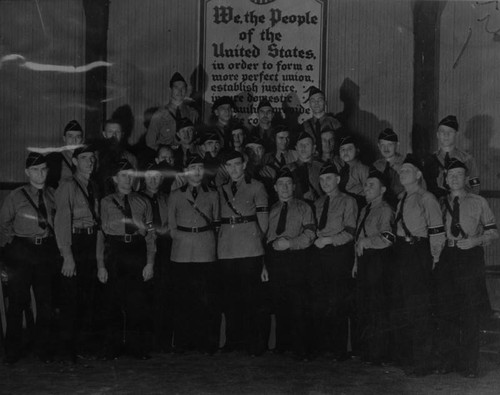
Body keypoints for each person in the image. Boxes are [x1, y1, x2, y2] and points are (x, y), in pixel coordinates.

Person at [434, 159, 498, 378]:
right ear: (445, 177)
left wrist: (476, 240)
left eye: (458, 174)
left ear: (466, 177)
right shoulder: (440, 202)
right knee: (446, 309)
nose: (454, 178)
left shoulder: (478, 201)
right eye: (450, 175)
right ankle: (448, 360)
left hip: (470, 255)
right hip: (447, 256)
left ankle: (469, 364)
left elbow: (493, 232)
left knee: (470, 311)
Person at [0, 152, 59, 364]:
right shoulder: (15, 196)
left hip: (45, 252)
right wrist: (11, 249)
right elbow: (3, 225)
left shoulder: (54, 194)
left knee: (45, 302)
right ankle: (12, 352)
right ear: (27, 172)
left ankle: (43, 350)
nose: (40, 173)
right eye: (35, 170)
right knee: (17, 302)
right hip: (21, 250)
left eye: (44, 169)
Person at [392, 154, 445, 377]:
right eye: (400, 170)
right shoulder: (402, 197)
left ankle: (424, 361)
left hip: (419, 254)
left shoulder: (427, 198)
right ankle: (410, 357)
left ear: (418, 174)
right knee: (405, 307)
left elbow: (437, 232)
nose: (402, 173)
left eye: (407, 170)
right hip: (403, 253)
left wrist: (433, 260)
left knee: (420, 309)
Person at [97, 159, 155, 360]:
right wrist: (100, 265)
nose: (128, 179)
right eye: (123, 175)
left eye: (131, 175)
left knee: (136, 302)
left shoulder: (143, 202)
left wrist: (150, 262)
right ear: (115, 178)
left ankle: (136, 347)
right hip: (115, 251)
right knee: (112, 302)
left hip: (136, 251)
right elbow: (101, 236)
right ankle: (110, 347)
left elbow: (150, 235)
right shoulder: (105, 202)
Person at [167, 155, 220, 354]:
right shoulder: (175, 194)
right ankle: (183, 343)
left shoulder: (213, 194)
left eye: (200, 167)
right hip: (181, 252)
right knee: (183, 299)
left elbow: (216, 222)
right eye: (192, 167)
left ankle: (206, 343)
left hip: (205, 250)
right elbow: (172, 226)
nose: (197, 171)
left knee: (206, 299)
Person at [218, 150, 269, 355]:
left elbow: (264, 224)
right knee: (231, 299)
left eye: (237, 164)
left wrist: (260, 248)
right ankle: (233, 342)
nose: (233, 169)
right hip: (227, 249)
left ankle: (254, 343)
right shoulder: (220, 189)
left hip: (250, 248)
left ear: (244, 164)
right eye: (229, 165)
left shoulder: (257, 187)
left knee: (252, 298)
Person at [54, 145, 100, 362]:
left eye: (92, 158)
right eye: (84, 158)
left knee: (88, 297)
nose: (89, 162)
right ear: (74, 161)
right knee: (71, 299)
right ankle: (66, 350)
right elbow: (62, 222)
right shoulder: (68, 186)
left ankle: (83, 346)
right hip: (75, 243)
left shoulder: (93, 185)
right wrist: (67, 256)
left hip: (91, 242)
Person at [265, 168, 316, 361]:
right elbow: (266, 236)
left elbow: (310, 235)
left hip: (296, 260)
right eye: (281, 184)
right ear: (275, 187)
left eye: (288, 183)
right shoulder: (272, 209)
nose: (285, 187)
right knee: (279, 303)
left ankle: (300, 348)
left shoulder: (304, 207)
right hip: (276, 261)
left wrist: (290, 243)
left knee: (298, 304)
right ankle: (281, 345)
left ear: (294, 187)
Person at [310, 163, 357, 360]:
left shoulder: (348, 201)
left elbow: (350, 232)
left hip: (339, 254)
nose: (325, 183)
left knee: (337, 300)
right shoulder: (318, 202)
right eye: (321, 179)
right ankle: (323, 345)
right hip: (319, 254)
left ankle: (339, 349)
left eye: (329, 178)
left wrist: (328, 240)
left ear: (338, 179)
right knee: (321, 300)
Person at [353, 169, 395, 365]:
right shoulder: (365, 209)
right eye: (366, 185)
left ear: (383, 189)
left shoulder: (385, 209)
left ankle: (380, 354)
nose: (366, 188)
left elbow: (388, 238)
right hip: (365, 262)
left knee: (378, 307)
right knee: (366, 306)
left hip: (378, 262)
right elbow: (359, 238)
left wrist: (368, 243)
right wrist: (356, 262)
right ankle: (369, 351)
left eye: (372, 185)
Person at [139, 162, 173, 353]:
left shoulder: (166, 199)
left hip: (165, 249)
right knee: (145, 296)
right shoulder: (137, 198)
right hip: (144, 250)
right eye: (150, 176)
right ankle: (146, 342)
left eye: (157, 176)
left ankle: (163, 342)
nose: (153, 180)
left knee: (164, 295)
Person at [423, 115, 480, 199]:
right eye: (442, 131)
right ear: (437, 135)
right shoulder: (429, 160)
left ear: (456, 134)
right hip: (436, 206)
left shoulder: (467, 160)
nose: (446, 135)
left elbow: (475, 188)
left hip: (461, 205)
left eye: (450, 131)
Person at [146, 72, 199, 150]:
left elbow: (198, 138)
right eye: (176, 88)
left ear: (186, 90)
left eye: (183, 88)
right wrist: (166, 152)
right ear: (170, 89)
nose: (180, 91)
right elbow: (150, 143)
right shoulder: (159, 115)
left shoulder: (193, 113)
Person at [95, 118, 139, 197]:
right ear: (104, 134)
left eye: (117, 132)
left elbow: (135, 185)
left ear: (122, 134)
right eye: (110, 132)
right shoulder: (95, 157)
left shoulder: (130, 158)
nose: (114, 135)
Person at [285, 132, 323, 204]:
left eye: (307, 144)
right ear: (296, 148)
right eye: (300, 144)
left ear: (314, 148)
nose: (303, 147)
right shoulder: (287, 169)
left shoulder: (322, 167)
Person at [372, 128, 405, 208]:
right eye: (383, 145)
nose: (386, 149)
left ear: (397, 145)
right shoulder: (376, 165)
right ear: (378, 146)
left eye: (390, 145)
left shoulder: (405, 163)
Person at [46, 120, 84, 189]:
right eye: (70, 136)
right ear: (64, 138)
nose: (74, 141)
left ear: (82, 140)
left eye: (78, 137)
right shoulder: (53, 159)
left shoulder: (88, 159)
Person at [334, 135, 369, 209]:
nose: (346, 152)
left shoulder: (362, 169)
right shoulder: (340, 169)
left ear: (357, 151)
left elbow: (369, 192)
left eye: (350, 149)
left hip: (359, 204)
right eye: (342, 149)